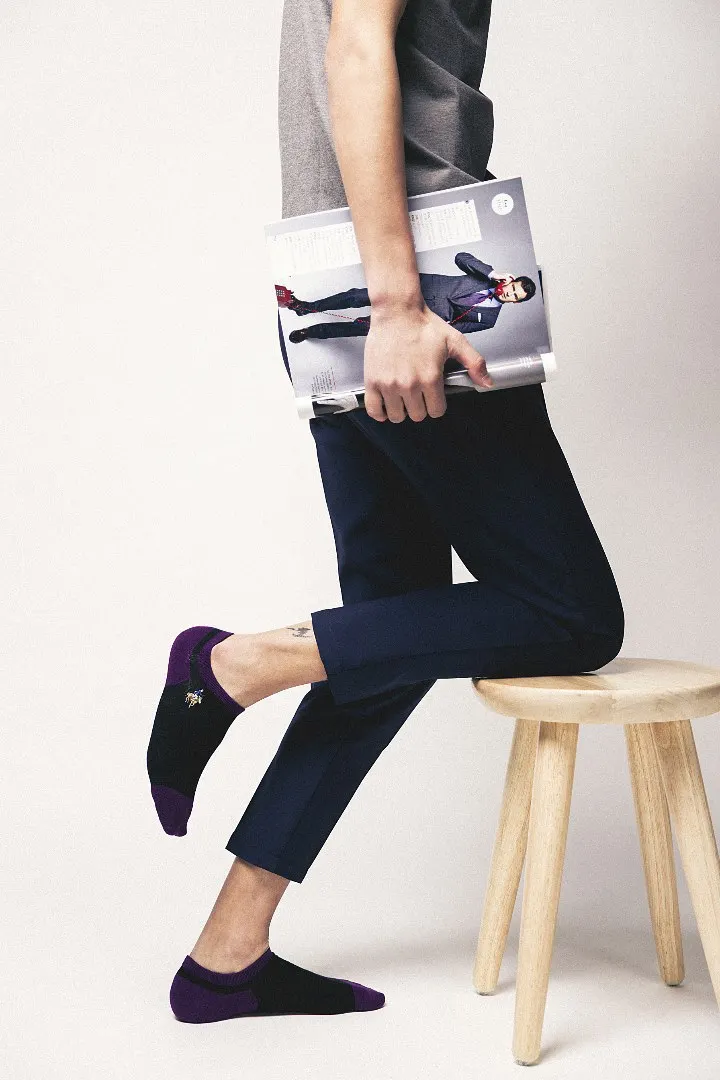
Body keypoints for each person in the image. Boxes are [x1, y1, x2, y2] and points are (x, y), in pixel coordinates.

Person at [147, 0, 625, 1024]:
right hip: (409, 287)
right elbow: (358, 48)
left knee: (393, 625)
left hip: (332, 280)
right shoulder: (402, 302)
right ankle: (233, 665)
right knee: (573, 614)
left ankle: (227, 955)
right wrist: (400, 306)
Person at [285, 252, 535, 341]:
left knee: (363, 327)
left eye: (514, 296)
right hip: (410, 287)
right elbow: (461, 258)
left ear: (515, 302)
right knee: (356, 297)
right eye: (512, 287)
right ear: (509, 281)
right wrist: (492, 273)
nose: (509, 293)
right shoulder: (484, 277)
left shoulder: (489, 320)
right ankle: (306, 307)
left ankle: (312, 332)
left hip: (416, 316)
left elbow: (454, 331)